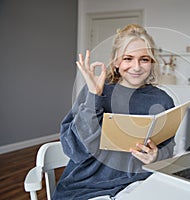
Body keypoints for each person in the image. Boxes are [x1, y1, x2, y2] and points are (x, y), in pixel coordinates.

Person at [52, 24, 175, 200]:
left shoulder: (163, 100)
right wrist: (95, 96)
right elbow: (74, 149)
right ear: (116, 61)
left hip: (138, 184)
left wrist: (156, 157)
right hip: (87, 187)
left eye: (144, 59)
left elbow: (167, 149)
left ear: (152, 62)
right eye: (128, 58)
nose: (136, 67)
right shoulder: (95, 91)